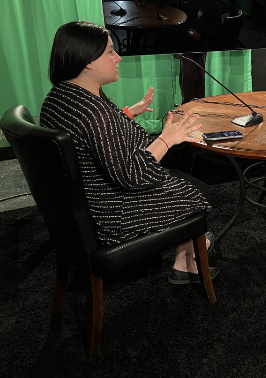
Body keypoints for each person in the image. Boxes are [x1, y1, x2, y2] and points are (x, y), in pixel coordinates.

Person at [40, 21, 218, 285]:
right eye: (110, 52)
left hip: (79, 204)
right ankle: (189, 258)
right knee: (196, 191)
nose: (118, 58)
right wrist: (167, 139)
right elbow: (133, 175)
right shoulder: (95, 114)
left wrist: (125, 114)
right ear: (88, 61)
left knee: (177, 179)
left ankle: (188, 252)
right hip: (107, 213)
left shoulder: (60, 96)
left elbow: (91, 141)